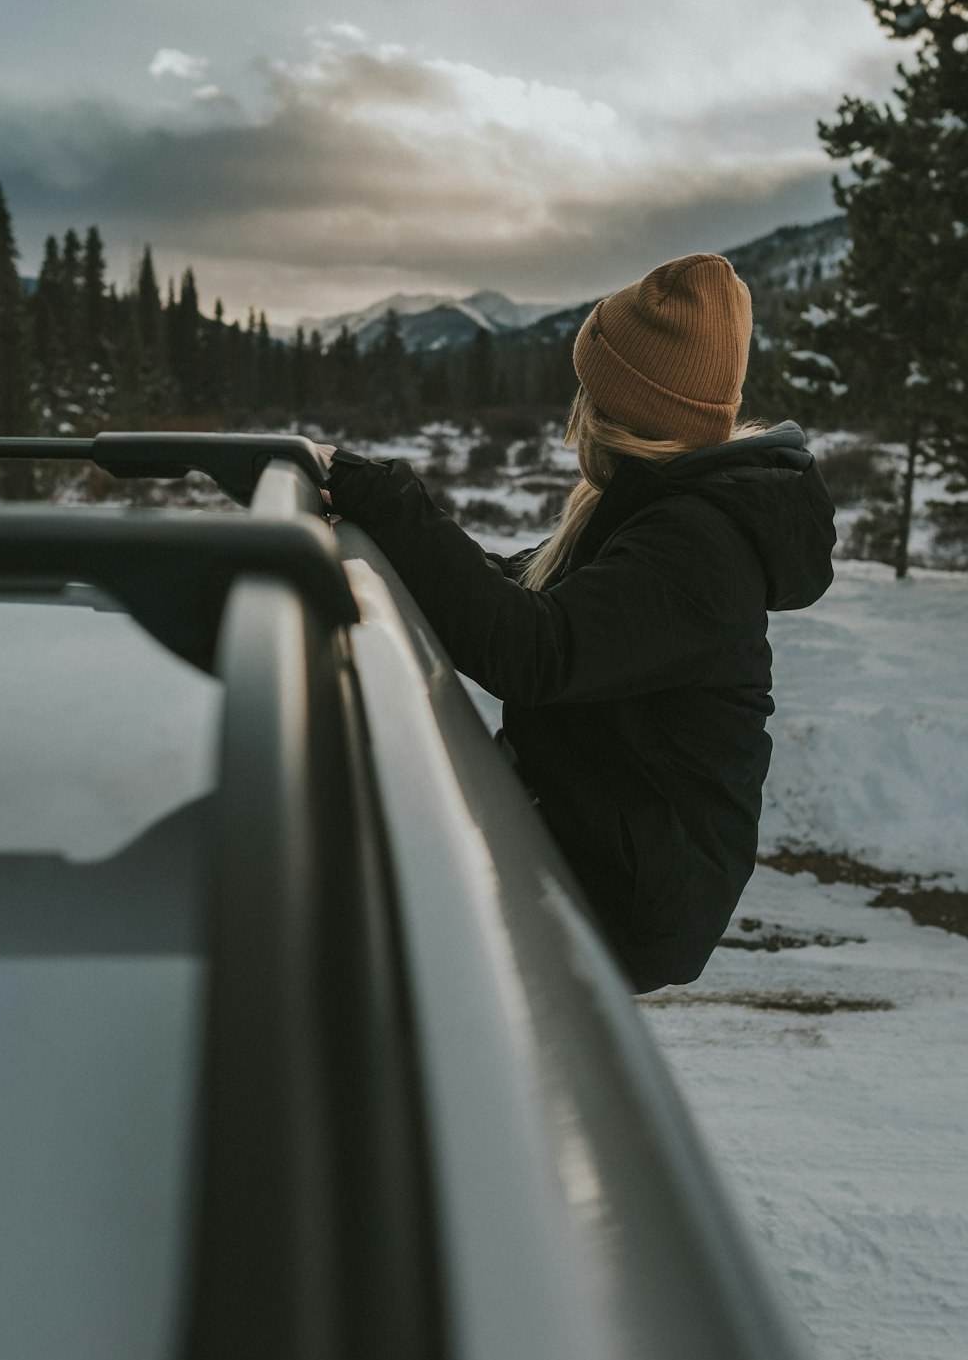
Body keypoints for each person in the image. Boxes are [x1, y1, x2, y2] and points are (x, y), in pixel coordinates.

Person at [315, 252, 836, 992]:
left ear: (619, 409)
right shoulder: (655, 508)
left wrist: (392, 505)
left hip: (626, 888)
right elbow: (525, 590)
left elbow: (535, 649)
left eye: (588, 391)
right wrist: (396, 537)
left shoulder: (697, 545)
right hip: (592, 834)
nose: (575, 410)